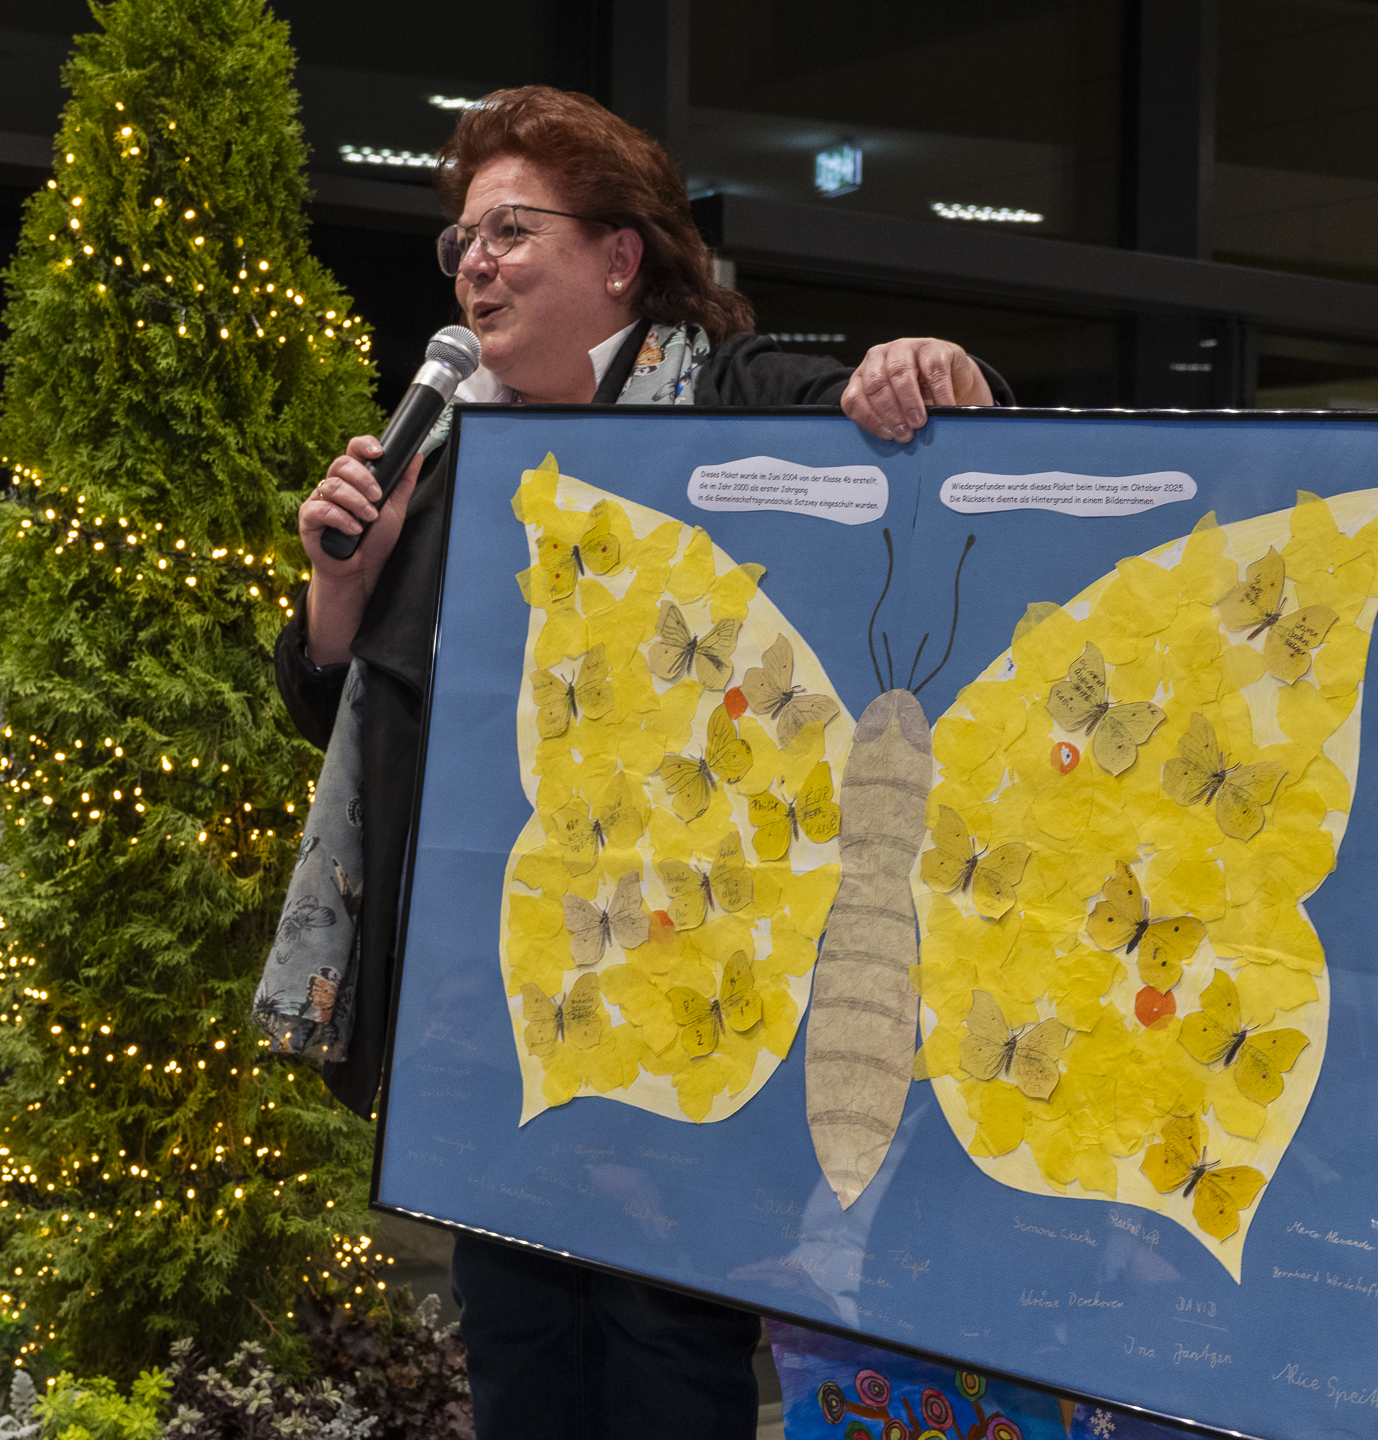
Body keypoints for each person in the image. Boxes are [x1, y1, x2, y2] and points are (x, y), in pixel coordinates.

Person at [275, 85, 1012, 1440]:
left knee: (665, 1376)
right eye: (462, 240)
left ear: (619, 257)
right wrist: (345, 592)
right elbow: (357, 718)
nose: (474, 262)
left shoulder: (736, 404)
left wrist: (926, 373)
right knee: (521, 1372)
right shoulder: (444, 460)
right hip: (497, 1034)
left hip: (694, 1030)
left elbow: (933, 450)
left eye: (510, 230)